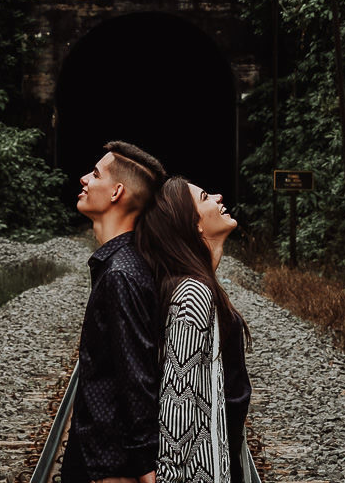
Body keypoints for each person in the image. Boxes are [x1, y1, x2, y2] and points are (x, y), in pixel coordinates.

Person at [60, 139, 167, 483]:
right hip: (102, 458)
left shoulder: (122, 273)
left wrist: (144, 467)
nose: (84, 179)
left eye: (95, 173)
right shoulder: (123, 265)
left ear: (117, 191)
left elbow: (137, 375)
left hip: (110, 465)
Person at [136, 176, 251, 483]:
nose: (218, 195)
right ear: (194, 224)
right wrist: (169, 475)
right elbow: (178, 397)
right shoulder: (192, 294)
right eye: (205, 197)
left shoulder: (197, 286)